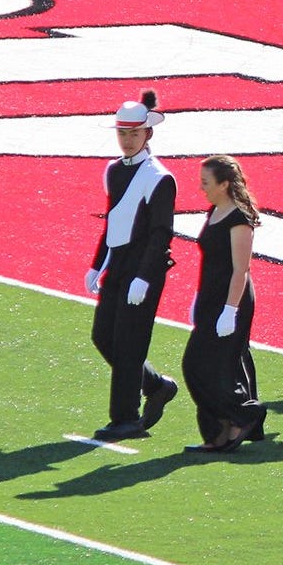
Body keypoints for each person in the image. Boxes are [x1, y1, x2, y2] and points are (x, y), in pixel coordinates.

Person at [84, 91, 178, 441]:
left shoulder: (159, 177)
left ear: (147, 134)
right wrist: (97, 265)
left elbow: (161, 233)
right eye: (122, 133)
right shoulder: (113, 170)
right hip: (119, 264)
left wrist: (144, 277)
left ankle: (126, 418)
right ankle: (155, 385)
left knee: (128, 344)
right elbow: (114, 221)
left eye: (134, 133)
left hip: (143, 268)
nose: (127, 140)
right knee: (103, 336)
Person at [183, 155, 269, 453]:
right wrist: (198, 297)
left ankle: (244, 415)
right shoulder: (214, 211)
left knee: (203, 364)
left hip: (231, 300)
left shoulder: (239, 219)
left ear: (224, 184)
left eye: (206, 182)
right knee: (200, 366)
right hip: (210, 298)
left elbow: (240, 270)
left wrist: (230, 311)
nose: (201, 188)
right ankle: (220, 431)